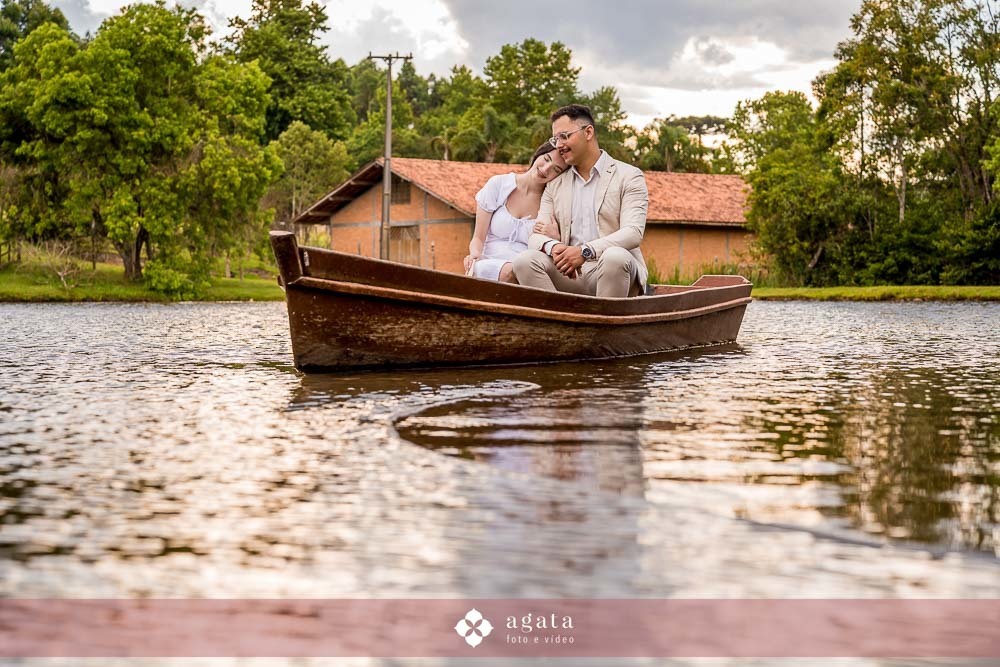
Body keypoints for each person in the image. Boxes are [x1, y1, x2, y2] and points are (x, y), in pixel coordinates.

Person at [513, 104, 649, 297]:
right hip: (571, 274)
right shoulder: (555, 184)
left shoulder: (629, 176)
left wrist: (585, 251)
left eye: (564, 136)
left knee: (615, 257)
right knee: (525, 260)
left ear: (588, 132)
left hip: (616, 272)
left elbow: (633, 232)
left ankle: (606, 318)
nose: (559, 145)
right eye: (555, 139)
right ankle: (559, 317)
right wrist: (555, 247)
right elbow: (535, 237)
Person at [463, 143, 568, 283]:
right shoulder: (498, 184)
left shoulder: (552, 204)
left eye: (556, 169)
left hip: (525, 270)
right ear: (538, 155)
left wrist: (555, 238)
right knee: (497, 271)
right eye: (546, 159)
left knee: (517, 270)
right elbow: (478, 238)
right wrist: (474, 255)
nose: (546, 169)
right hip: (488, 263)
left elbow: (555, 251)